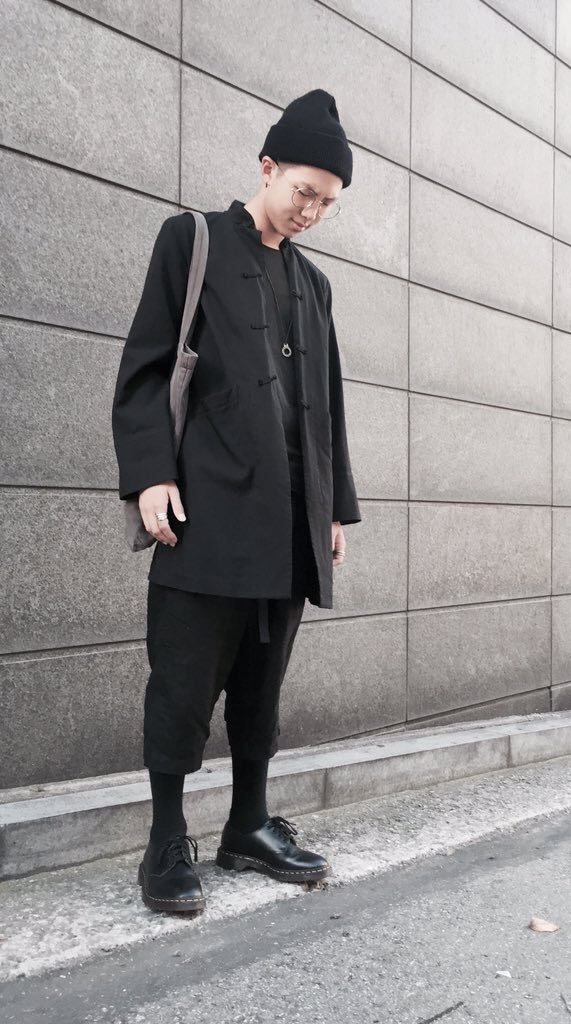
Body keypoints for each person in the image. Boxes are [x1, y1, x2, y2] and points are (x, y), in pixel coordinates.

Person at [111, 89, 361, 914]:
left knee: (263, 683)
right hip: (207, 510)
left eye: (327, 203)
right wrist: (151, 474)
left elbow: (328, 405)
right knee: (183, 681)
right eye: (304, 192)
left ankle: (248, 825)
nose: (311, 212)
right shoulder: (192, 242)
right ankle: (164, 842)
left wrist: (333, 507)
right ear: (267, 167)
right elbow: (146, 368)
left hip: (291, 519)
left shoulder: (314, 283)